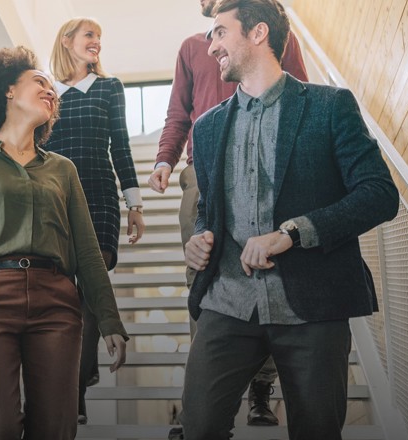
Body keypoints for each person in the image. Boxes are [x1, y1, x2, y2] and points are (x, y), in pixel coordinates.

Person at [181, 0, 399, 439]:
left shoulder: (330, 106)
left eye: (220, 33)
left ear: (258, 33)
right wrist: (201, 236)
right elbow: (210, 211)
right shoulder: (205, 128)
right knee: (200, 427)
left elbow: (379, 194)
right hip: (227, 302)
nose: (210, 47)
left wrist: (292, 234)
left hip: (313, 303)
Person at [0, 46, 128, 440]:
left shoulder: (62, 169)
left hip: (58, 303)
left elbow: (87, 251)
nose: (50, 91)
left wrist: (109, 321)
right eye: (39, 82)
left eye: (53, 87)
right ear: (8, 91)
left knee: (56, 430)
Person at [148, 0, 308, 431]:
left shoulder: (271, 32)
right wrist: (165, 158)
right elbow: (178, 111)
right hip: (203, 171)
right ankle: (200, 399)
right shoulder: (192, 47)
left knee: (270, 275)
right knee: (203, 279)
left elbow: (301, 97)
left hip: (268, 169)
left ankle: (261, 390)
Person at [46, 17, 145, 425]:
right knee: (64, 296)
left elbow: (120, 145)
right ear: (67, 41)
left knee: (88, 291)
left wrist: (134, 203)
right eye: (90, 36)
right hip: (55, 201)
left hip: (100, 198)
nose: (97, 43)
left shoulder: (109, 87)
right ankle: (80, 375)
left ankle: (72, 392)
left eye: (99, 38)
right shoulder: (47, 93)